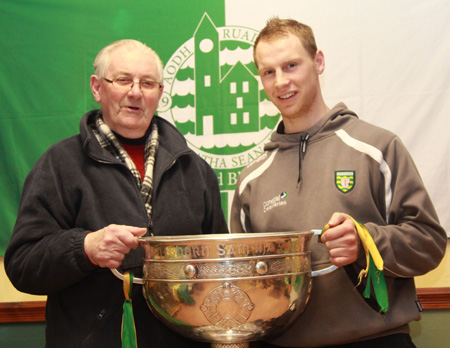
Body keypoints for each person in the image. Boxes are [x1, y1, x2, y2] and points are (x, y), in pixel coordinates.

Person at [230, 18, 447, 348]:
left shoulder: (377, 148)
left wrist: (365, 243)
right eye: (268, 72)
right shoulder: (250, 180)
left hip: (376, 339)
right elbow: (241, 280)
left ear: (318, 62)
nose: (281, 82)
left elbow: (430, 243)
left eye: (291, 65)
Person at [5, 39, 228, 348]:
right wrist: (84, 248)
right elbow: (22, 265)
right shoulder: (59, 165)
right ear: (98, 87)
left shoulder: (196, 170)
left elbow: (221, 268)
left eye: (147, 83)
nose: (135, 92)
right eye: (123, 79)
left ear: (160, 94)